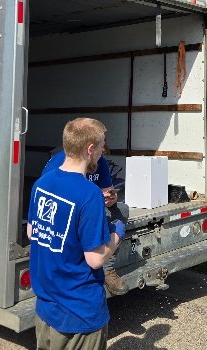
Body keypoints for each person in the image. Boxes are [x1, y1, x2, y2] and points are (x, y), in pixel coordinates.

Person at [27, 118, 125, 350]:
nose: (103, 151)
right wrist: (118, 233)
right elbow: (95, 258)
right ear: (90, 149)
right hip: (80, 311)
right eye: (101, 146)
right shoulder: (88, 194)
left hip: (46, 308)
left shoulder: (42, 183)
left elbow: (32, 233)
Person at [41, 144, 129, 296]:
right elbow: (52, 197)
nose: (103, 155)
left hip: (91, 206)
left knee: (123, 209)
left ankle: (106, 268)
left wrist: (111, 198)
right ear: (90, 149)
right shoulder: (60, 162)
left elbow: (106, 189)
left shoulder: (100, 162)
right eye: (101, 150)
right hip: (68, 210)